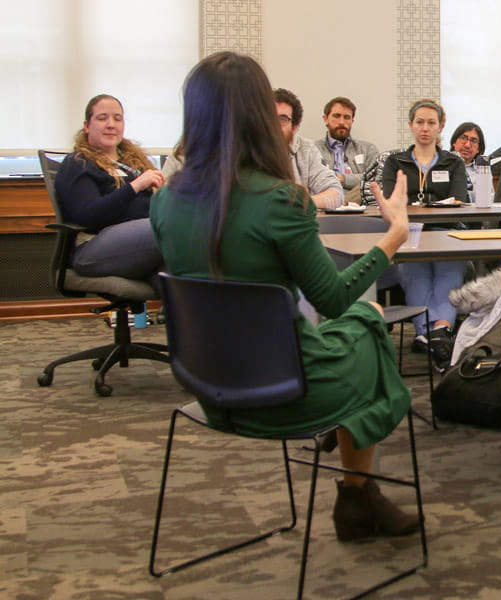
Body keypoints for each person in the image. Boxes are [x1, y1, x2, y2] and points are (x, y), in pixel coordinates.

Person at [150, 51, 419, 542]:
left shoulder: (165, 199)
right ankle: (357, 495)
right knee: (369, 320)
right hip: (286, 387)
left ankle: (360, 499)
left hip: (207, 384)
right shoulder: (281, 199)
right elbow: (334, 299)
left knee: (362, 323)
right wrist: (393, 237)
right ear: (260, 116)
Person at [381, 99, 468, 371]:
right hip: (410, 233)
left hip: (446, 232)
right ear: (410, 125)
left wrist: (419, 204)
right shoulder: (396, 161)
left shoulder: (453, 162)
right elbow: (388, 199)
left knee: (449, 272)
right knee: (417, 274)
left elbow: (459, 199)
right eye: (420, 122)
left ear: (441, 126)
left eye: (431, 123)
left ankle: (433, 332)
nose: (425, 128)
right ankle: (440, 338)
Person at [54, 94, 165, 283]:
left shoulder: (133, 163)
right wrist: (135, 186)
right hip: (92, 248)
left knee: (183, 274)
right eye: (102, 118)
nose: (111, 124)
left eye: (117, 118)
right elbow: (88, 216)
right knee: (170, 229)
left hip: (137, 244)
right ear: (87, 126)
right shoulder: (78, 163)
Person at [273, 88, 344, 209]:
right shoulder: (245, 149)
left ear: (294, 127)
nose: (273, 124)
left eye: (282, 119)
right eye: (269, 116)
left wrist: (297, 204)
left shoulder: (306, 150)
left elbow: (336, 195)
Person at [315, 96, 380, 205]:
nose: (341, 122)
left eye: (346, 117)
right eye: (336, 116)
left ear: (352, 121)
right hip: (325, 200)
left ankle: (342, 203)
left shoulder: (368, 148)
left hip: (360, 202)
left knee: (371, 184)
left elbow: (375, 178)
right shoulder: (313, 149)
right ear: (325, 119)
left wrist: (342, 178)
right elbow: (315, 179)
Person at [450, 121, 492, 202]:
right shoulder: (443, 165)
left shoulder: (483, 170)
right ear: (454, 142)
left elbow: (489, 199)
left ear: (478, 149)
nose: (467, 145)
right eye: (463, 138)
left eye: (473, 141)